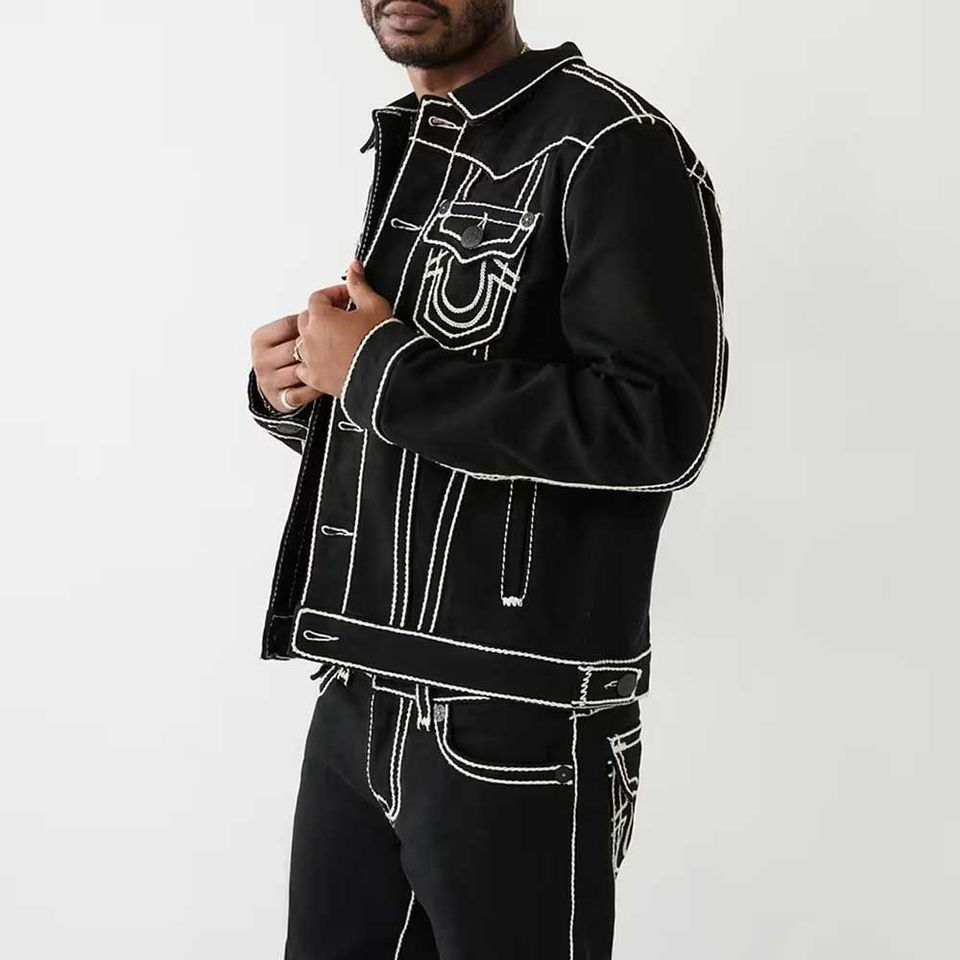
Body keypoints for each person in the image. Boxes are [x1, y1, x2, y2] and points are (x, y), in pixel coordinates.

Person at [247, 2, 729, 957]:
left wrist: (378, 369)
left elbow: (657, 430)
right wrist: (301, 389)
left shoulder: (612, 146)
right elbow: (440, 415)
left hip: (517, 718)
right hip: (358, 687)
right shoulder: (423, 142)